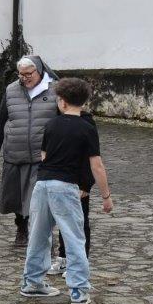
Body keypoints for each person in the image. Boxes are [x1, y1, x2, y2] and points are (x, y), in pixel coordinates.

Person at [20, 78, 112, 304]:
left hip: (42, 184)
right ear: (84, 101)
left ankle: (32, 282)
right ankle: (78, 290)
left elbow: (43, 156)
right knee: (74, 238)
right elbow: (96, 165)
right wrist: (106, 196)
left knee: (38, 235)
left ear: (61, 101)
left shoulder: (52, 124)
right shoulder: (87, 128)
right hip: (65, 186)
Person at [0, 56, 57, 247]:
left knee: (39, 200)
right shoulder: (11, 90)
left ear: (39, 71)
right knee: (17, 197)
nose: (25, 78)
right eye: (21, 74)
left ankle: (43, 237)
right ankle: (21, 229)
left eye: (28, 74)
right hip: (15, 153)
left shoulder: (55, 90)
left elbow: (64, 121)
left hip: (42, 156)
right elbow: (1, 122)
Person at [48, 109, 96, 277]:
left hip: (78, 181)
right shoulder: (57, 119)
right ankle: (63, 258)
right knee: (63, 220)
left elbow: (91, 157)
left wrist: (86, 184)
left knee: (80, 223)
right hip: (61, 179)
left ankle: (80, 262)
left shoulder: (86, 122)